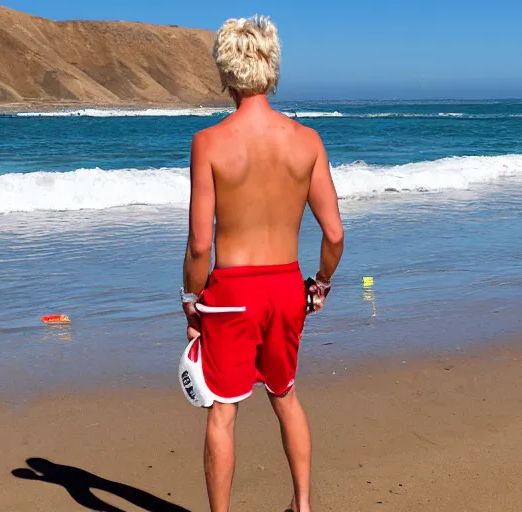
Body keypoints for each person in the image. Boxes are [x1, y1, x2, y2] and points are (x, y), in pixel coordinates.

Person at [180, 15, 344, 512]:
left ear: (226, 72)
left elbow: (200, 245)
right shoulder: (308, 141)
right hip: (287, 287)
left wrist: (191, 298)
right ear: (272, 66)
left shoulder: (209, 142)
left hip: (231, 294)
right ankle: (302, 505)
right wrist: (319, 284)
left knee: (223, 411)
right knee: (285, 395)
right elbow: (334, 234)